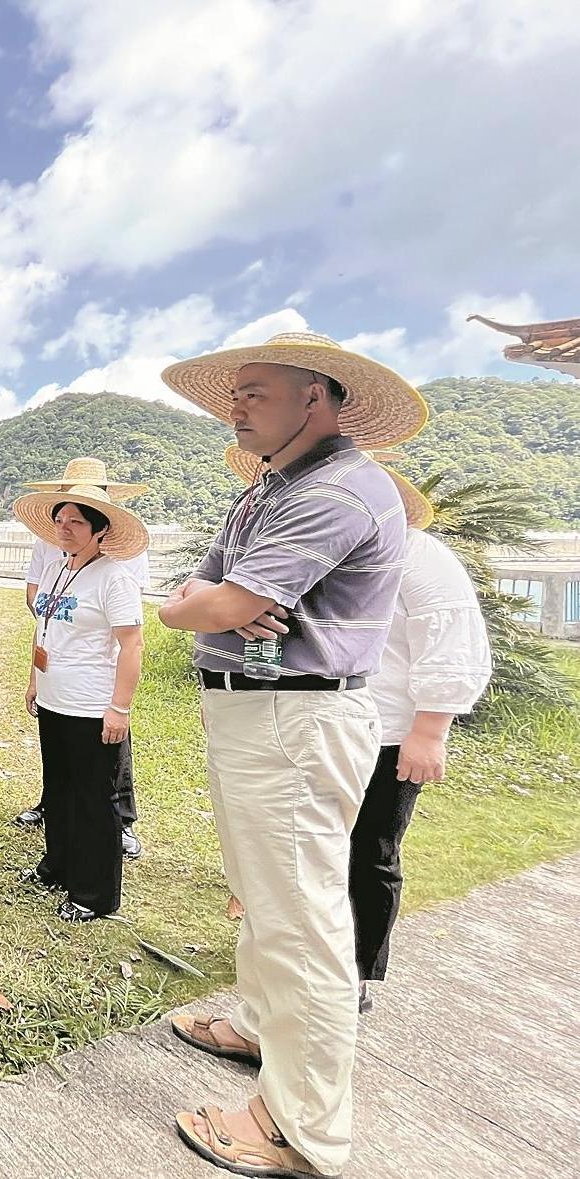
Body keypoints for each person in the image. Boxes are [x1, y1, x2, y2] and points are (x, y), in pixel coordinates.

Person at [157, 331, 428, 1179]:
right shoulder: (270, 488)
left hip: (295, 717)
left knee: (303, 919)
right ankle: (256, 1026)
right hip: (260, 714)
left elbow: (214, 599)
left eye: (254, 389)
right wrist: (206, 603)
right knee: (263, 896)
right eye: (234, 390)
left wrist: (211, 604)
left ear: (316, 394)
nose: (235, 404)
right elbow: (191, 596)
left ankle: (298, 1127)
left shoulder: (342, 489)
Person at [224, 445, 491, 1013]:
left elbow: (451, 638)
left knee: (367, 851)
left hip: (387, 727)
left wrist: (430, 729)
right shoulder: (311, 549)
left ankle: (354, 973)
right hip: (307, 720)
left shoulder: (420, 556)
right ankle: (294, 965)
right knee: (304, 848)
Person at [15, 488, 147, 922]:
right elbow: (44, 628)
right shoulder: (57, 568)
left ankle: (94, 893)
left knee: (93, 798)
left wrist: (119, 708)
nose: (64, 529)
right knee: (59, 789)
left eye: (76, 522)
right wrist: (35, 680)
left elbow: (132, 645)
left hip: (91, 705)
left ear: (99, 530)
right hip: (54, 698)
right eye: (60, 520)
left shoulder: (113, 577)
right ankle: (58, 866)